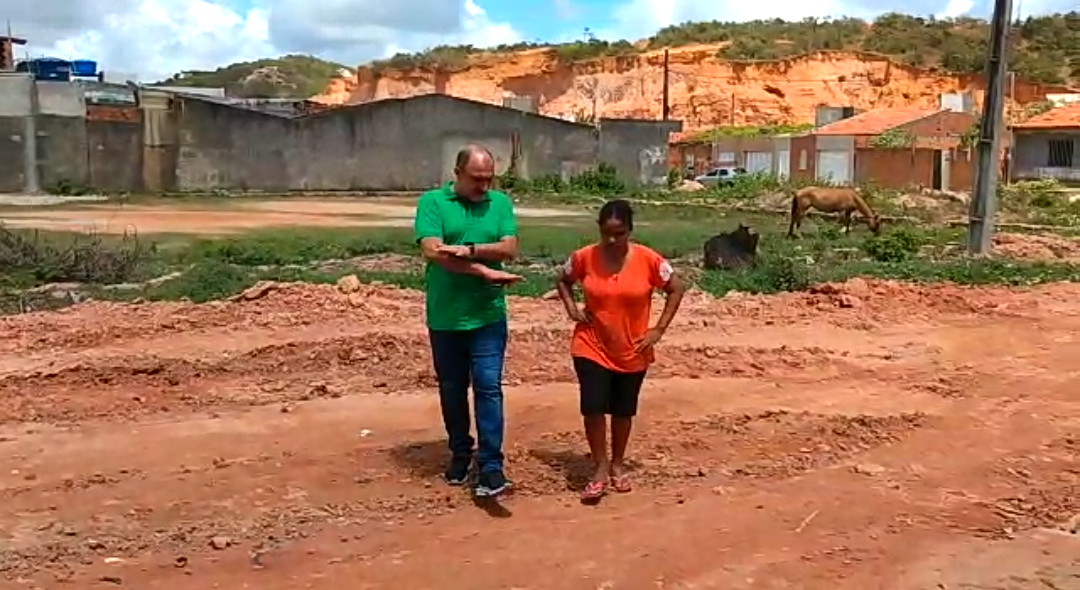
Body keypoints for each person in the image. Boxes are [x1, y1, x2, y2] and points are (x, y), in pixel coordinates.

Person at [555, 198, 686, 502]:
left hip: (633, 347)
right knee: (592, 405)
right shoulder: (584, 257)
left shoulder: (649, 260)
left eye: (620, 233)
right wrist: (572, 308)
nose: (613, 240)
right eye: (607, 233)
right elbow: (562, 279)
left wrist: (659, 330)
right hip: (591, 343)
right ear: (599, 230)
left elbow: (676, 288)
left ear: (630, 231)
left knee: (623, 410)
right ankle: (600, 467)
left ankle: (617, 464)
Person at [413, 144, 523, 498]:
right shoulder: (433, 202)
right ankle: (461, 452)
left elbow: (509, 247)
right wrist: (481, 271)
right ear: (457, 173)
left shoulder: (499, 203)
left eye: (488, 179)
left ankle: (491, 465)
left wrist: (471, 250)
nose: (483, 187)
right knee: (452, 389)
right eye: (476, 179)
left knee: (489, 387)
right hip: (446, 316)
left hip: (488, 315)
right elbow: (433, 252)